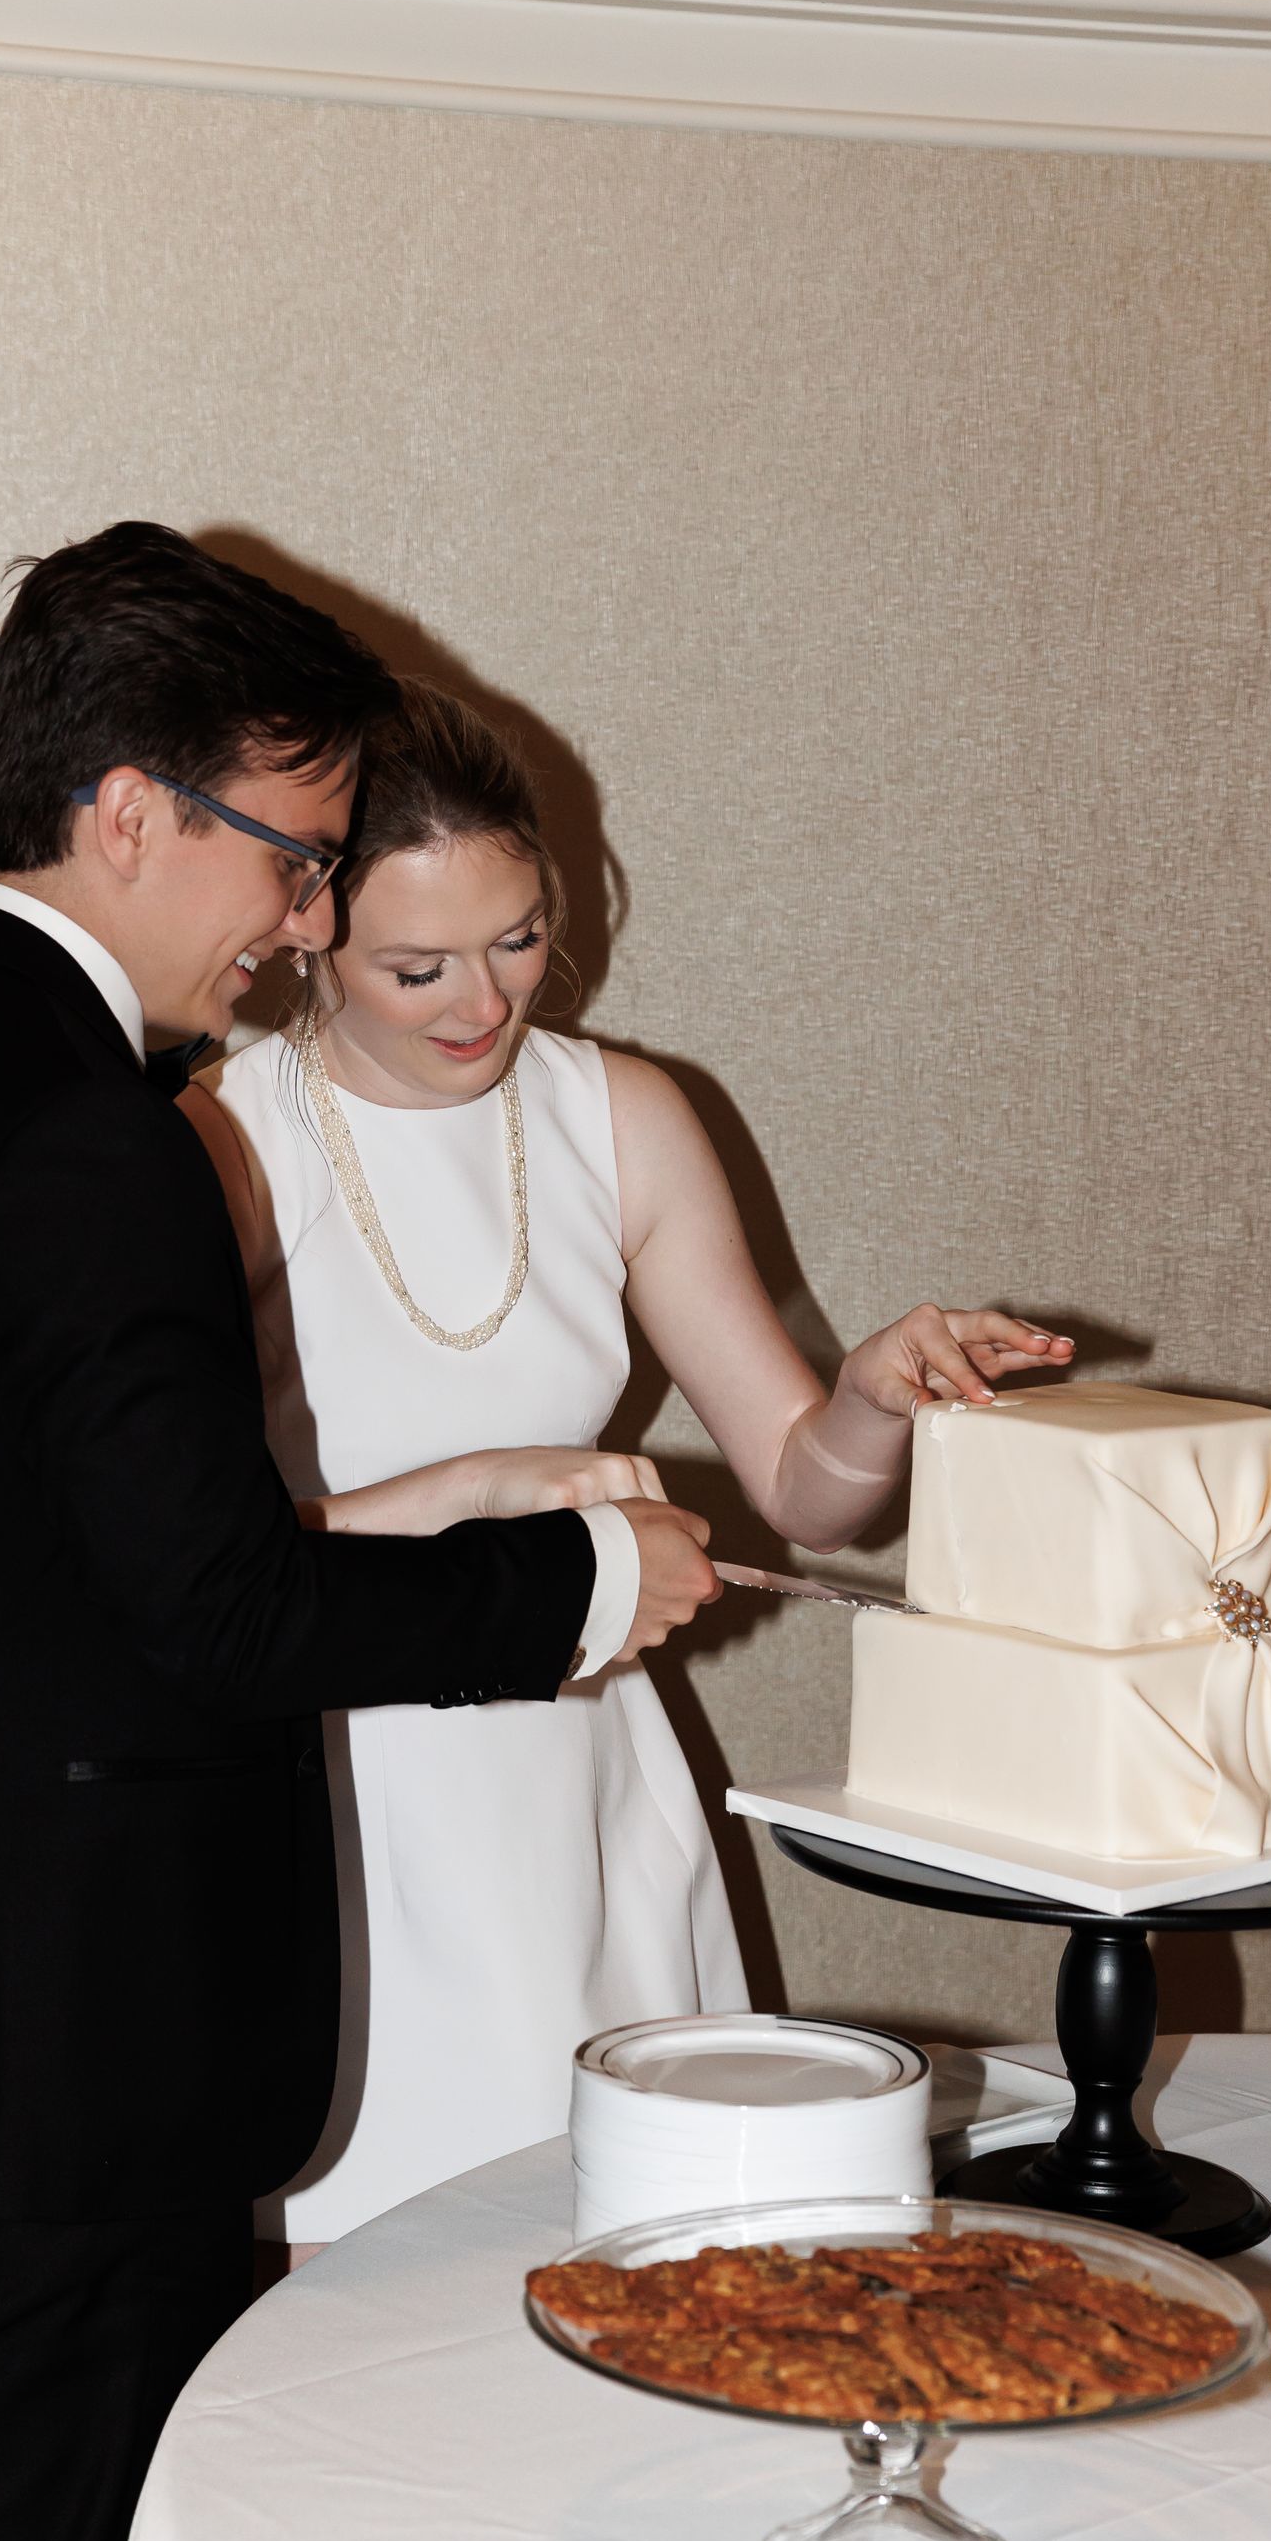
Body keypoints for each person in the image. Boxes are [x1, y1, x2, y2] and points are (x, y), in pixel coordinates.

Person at [0, 525, 717, 2541]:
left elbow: (2, 1577)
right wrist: (571, 1586)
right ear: (128, 811)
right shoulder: (90, 1140)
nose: (300, 925)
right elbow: (217, 1607)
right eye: (291, 857)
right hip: (61, 2067)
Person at [187, 679, 1074, 2248]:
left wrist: (873, 1395)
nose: (484, 1002)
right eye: (419, 965)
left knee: (651, 2260)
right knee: (366, 2312)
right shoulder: (222, 1145)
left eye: (520, 939)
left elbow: (806, 1487)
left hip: (583, 1781)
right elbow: (199, 1567)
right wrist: (459, 1513)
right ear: (309, 924)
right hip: (343, 1798)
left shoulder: (623, 1116)